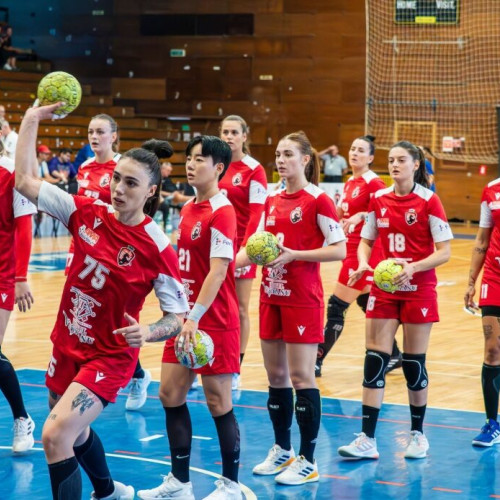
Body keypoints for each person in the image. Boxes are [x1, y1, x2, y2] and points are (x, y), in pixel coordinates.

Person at [15, 101, 189, 500]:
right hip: (68, 341)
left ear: (151, 191)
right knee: (75, 434)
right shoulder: (86, 211)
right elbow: (24, 181)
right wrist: (31, 119)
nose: (119, 189)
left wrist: (149, 331)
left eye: (131, 183)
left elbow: (177, 315)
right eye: (116, 179)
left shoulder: (156, 246)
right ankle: (109, 492)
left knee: (55, 435)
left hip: (109, 356)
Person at [237, 131, 346, 485]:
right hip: (271, 294)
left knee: (301, 377)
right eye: (278, 154)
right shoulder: (271, 198)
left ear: (305, 159)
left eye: (288, 154)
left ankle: (308, 460)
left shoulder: (318, 200)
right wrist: (224, 267)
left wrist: (296, 254)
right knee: (276, 378)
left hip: (302, 299)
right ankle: (282, 449)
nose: (281, 160)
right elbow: (253, 248)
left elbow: (340, 249)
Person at [137, 135, 242, 500]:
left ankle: (231, 486)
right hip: (185, 317)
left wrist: (194, 316)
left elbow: (218, 271)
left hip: (213, 318)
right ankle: (180, 483)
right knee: (169, 394)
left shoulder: (223, 211)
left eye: (200, 159)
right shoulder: (188, 209)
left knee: (218, 402)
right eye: (190, 158)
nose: (191, 164)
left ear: (218, 168)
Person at [337, 140, 453, 461]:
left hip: (419, 289)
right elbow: (366, 240)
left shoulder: (429, 200)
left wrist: (413, 267)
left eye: (401, 160)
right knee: (375, 359)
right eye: (391, 160)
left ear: (416, 164)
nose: (394, 165)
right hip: (384, 288)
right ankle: (367, 439)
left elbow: (444, 251)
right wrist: (363, 263)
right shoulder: (379, 199)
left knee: (414, 363)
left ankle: (417, 434)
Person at [67, 114, 154, 412]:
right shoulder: (84, 167)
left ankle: (137, 375)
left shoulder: (123, 169)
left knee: (114, 320)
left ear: (114, 136)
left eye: (101, 132)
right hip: (85, 250)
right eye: (91, 131)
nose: (94, 137)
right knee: (84, 313)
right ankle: (84, 370)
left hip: (116, 255)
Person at [315, 136, 402, 377]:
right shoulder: (351, 182)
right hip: (349, 249)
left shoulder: (374, 183)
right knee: (366, 301)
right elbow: (340, 213)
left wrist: (362, 215)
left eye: (361, 150)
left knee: (337, 305)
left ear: (371, 157)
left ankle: (316, 359)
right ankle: (394, 354)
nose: (355, 153)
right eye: (353, 149)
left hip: (364, 253)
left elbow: (386, 212)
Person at [219, 115, 268, 390]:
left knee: (238, 308)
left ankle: (235, 368)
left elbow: (256, 213)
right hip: (214, 245)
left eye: (234, 132)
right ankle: (206, 360)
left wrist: (245, 249)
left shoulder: (254, 170)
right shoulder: (216, 164)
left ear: (244, 136)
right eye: (225, 132)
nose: (229, 136)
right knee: (209, 305)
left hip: (241, 247)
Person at [0, 136, 37, 454]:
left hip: (3, 274)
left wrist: (21, 277)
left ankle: (22, 418)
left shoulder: (12, 172)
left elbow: (24, 227)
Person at [465, 176, 500, 446]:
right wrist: (470, 282)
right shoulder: (491, 190)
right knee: (492, 350)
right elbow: (482, 237)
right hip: (494, 278)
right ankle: (492, 423)